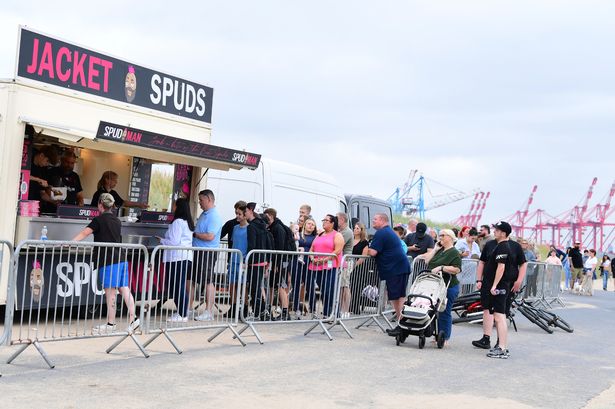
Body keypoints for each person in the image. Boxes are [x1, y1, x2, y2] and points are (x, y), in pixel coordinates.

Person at [71, 193, 139, 333]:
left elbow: (84, 233)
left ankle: (111, 323)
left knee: (110, 292)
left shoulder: (98, 220)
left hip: (108, 260)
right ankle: (134, 319)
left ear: (100, 204)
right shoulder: (117, 220)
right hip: (121, 258)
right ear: (112, 205)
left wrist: (69, 243)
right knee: (124, 288)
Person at [472, 221, 526, 359]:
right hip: (495, 284)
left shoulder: (503, 246)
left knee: (499, 316)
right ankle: (499, 345)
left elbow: (501, 268)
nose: (494, 232)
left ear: (503, 233)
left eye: (496, 230)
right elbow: (484, 263)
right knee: (497, 314)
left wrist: (495, 285)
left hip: (501, 285)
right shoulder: (497, 245)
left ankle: (502, 347)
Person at [367, 213, 410, 337]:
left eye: (375, 219)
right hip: (398, 268)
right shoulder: (387, 232)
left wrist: (367, 248)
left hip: (396, 269)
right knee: (397, 297)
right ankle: (401, 324)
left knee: (396, 297)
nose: (373, 221)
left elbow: (373, 252)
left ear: (382, 220)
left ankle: (402, 325)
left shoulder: (381, 233)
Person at [416, 229, 462, 344]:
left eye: (443, 235)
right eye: (439, 235)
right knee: (433, 310)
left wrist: (442, 268)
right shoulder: (440, 250)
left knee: (444, 311)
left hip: (448, 286)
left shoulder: (454, 252)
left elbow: (457, 269)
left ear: (450, 237)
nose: (440, 237)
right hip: (435, 286)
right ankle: (437, 335)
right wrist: (435, 249)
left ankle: (444, 337)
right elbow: (427, 261)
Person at [156, 198, 194, 322]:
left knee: (177, 285)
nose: (172, 207)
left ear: (178, 207)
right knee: (178, 285)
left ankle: (182, 314)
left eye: (174, 205)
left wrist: (161, 240)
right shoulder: (187, 222)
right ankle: (182, 312)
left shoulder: (177, 222)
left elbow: (174, 241)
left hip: (177, 258)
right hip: (184, 257)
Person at [190, 189, 224, 321]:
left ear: (209, 199)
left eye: (201, 200)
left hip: (207, 253)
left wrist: (194, 234)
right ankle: (189, 308)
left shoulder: (214, 216)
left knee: (208, 281)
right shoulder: (205, 214)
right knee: (193, 280)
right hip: (198, 251)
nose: (199, 203)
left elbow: (210, 236)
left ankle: (208, 311)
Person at [307, 215, 344, 319]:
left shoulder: (337, 235)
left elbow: (337, 250)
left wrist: (324, 259)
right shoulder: (319, 235)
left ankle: (334, 313)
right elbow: (311, 249)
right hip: (317, 266)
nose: (323, 222)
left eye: (326, 220)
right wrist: (312, 258)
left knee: (330, 289)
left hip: (331, 266)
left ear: (332, 223)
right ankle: (327, 313)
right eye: (323, 220)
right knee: (323, 289)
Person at [263, 207, 292, 321]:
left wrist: (276, 265)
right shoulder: (272, 227)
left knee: (281, 286)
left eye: (266, 216)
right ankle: (268, 310)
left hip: (281, 262)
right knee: (271, 286)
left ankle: (285, 312)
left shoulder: (278, 228)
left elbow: (279, 248)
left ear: (270, 216)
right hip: (276, 262)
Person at [245, 202, 271, 320]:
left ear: (251, 211)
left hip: (255, 260)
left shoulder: (251, 226)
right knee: (257, 288)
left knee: (255, 288)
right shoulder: (262, 225)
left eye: (245, 211)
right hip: (262, 260)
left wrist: (247, 260)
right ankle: (260, 312)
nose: (245, 213)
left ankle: (259, 313)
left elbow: (251, 245)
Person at [226, 202, 249, 319]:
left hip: (243, 261)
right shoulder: (235, 228)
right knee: (232, 284)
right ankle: (233, 305)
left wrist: (246, 261)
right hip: (233, 259)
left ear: (245, 215)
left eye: (239, 214)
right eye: (236, 213)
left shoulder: (249, 228)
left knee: (243, 285)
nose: (237, 216)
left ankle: (245, 307)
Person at [292, 217, 318, 317]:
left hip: (309, 263)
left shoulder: (316, 237)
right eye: (309, 224)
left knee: (310, 286)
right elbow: (292, 245)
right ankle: (296, 308)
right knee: (296, 285)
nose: (310, 226)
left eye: (313, 224)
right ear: (305, 225)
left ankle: (313, 309)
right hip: (297, 262)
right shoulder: (298, 234)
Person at [349, 222, 371, 315]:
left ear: (361, 230)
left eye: (358, 228)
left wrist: (354, 265)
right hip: (348, 264)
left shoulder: (364, 242)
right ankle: (349, 306)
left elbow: (363, 256)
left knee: (356, 287)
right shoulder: (351, 240)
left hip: (359, 267)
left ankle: (355, 307)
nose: (355, 230)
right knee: (348, 286)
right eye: (354, 228)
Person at [337, 212, 354, 318]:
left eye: (337, 219)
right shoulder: (342, 231)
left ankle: (345, 310)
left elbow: (338, 243)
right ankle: (340, 309)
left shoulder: (347, 232)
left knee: (345, 286)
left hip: (346, 262)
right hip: (342, 262)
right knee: (341, 286)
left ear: (342, 220)